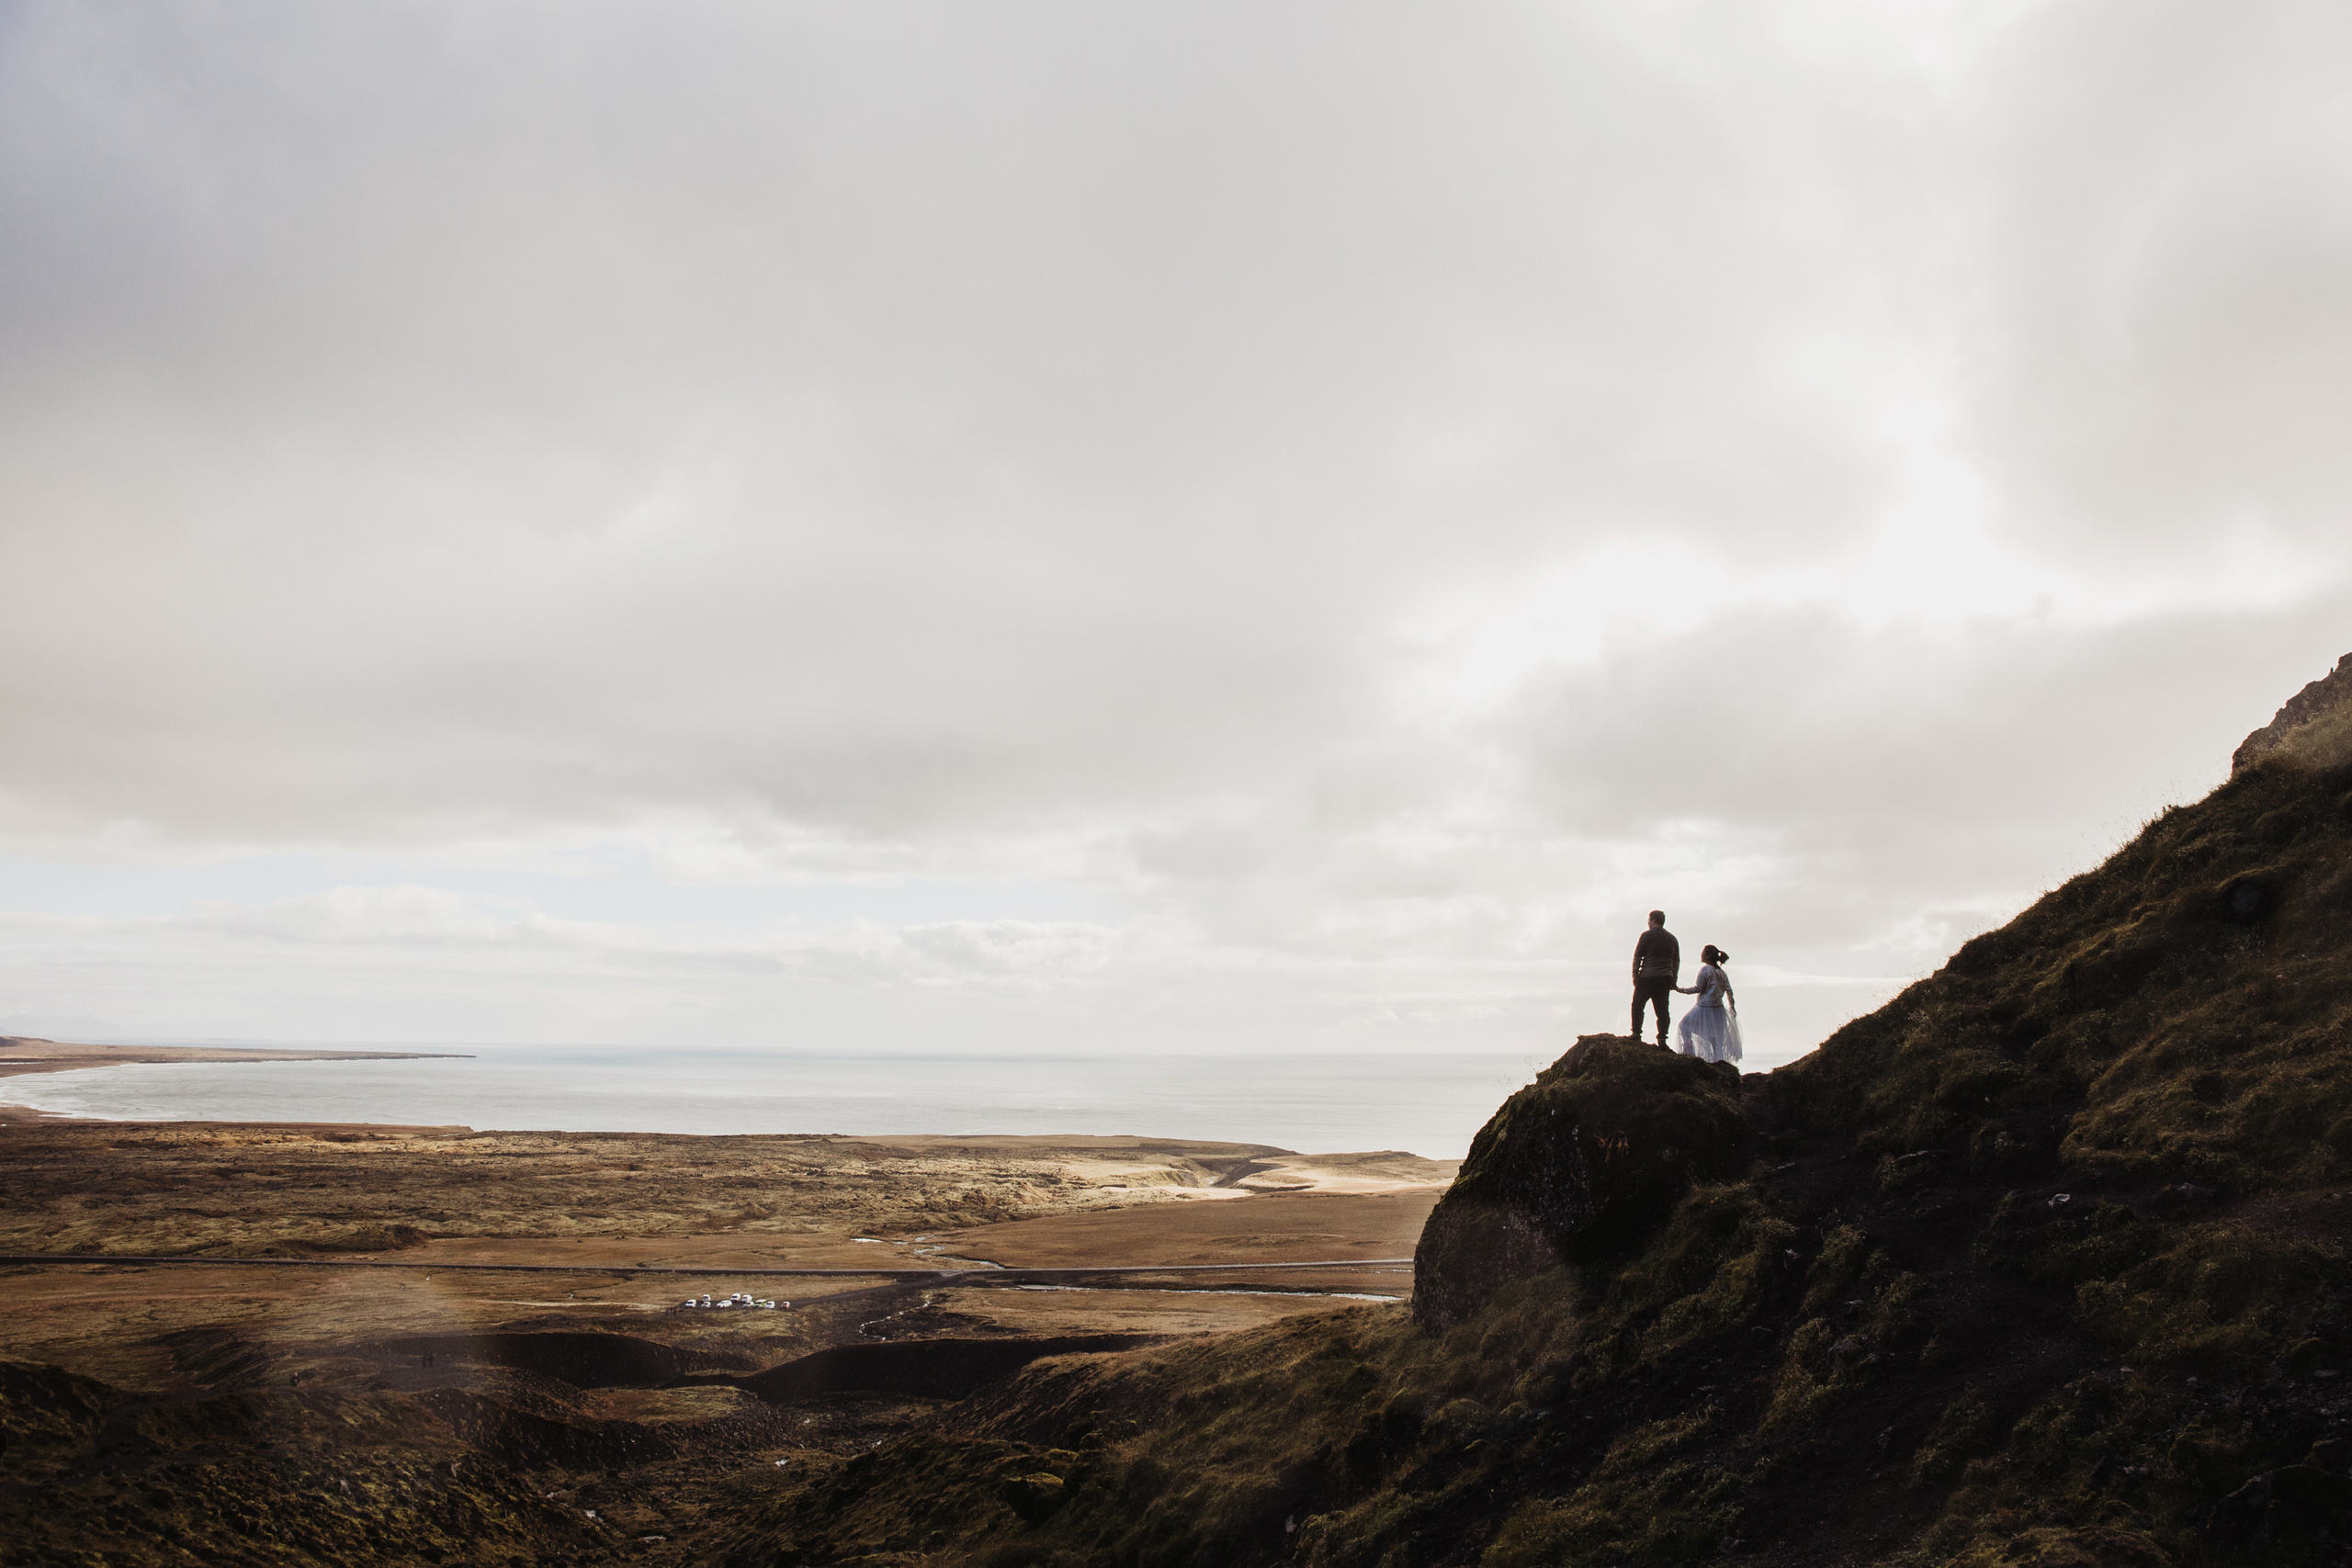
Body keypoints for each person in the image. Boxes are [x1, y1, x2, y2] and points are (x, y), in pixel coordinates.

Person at [1675, 945, 1742, 1065]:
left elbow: (1698, 988)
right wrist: (1732, 1007)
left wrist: (1679, 989)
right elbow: (1729, 991)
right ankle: (1718, 1062)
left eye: (1703, 952)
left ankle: (1689, 1053)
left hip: (1704, 1007)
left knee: (1683, 1025)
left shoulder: (1706, 970)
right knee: (1715, 1039)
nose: (1701, 954)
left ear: (1708, 956)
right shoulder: (1722, 973)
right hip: (1719, 1010)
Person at [1630, 910, 1679, 1048]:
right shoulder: (1672, 938)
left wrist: (1635, 976)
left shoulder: (1646, 936)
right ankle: (1662, 1039)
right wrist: (1673, 979)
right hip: (1665, 978)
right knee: (1662, 1010)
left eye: (1648, 920)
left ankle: (1636, 1034)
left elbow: (1637, 957)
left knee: (1637, 1005)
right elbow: (1676, 962)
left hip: (1647, 977)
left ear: (1653, 921)